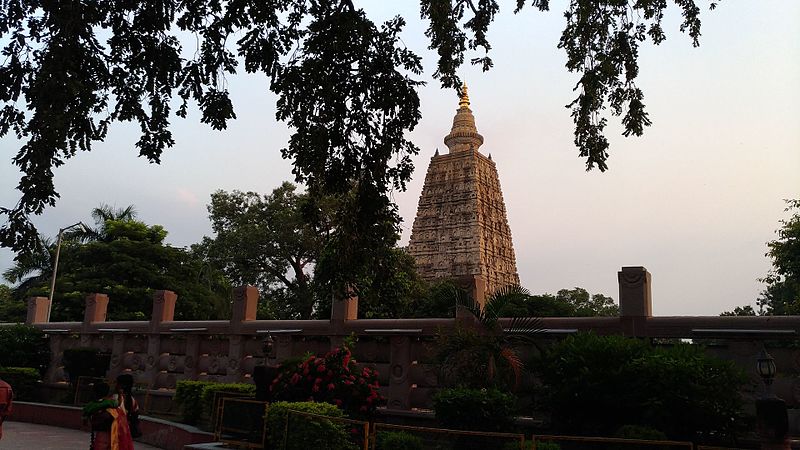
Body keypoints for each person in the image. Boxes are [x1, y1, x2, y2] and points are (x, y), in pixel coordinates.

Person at [82, 381, 134, 450]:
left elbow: (86, 421)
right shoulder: (113, 406)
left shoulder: (91, 407)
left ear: (95, 393)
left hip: (101, 436)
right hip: (110, 436)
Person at [115, 374, 141, 438]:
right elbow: (135, 414)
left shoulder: (116, 398)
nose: (115, 385)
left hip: (115, 430)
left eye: (117, 383)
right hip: (126, 431)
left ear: (122, 385)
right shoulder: (132, 400)